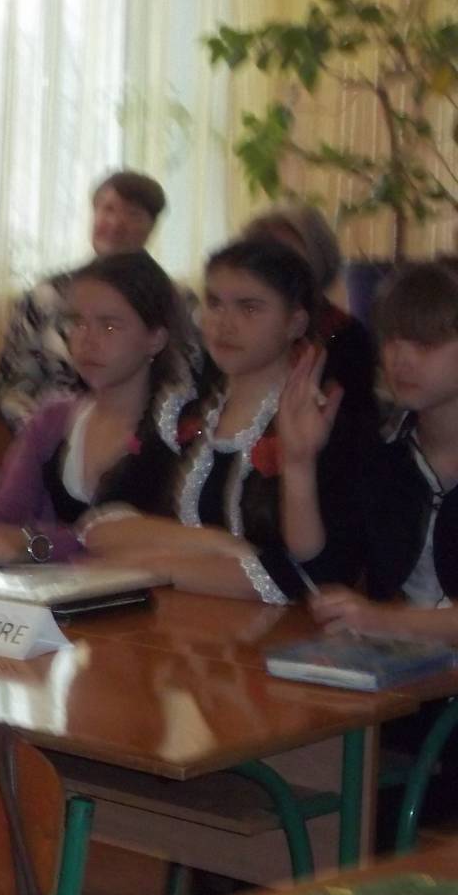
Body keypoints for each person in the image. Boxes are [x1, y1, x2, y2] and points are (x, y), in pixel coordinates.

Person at [83, 237, 367, 602]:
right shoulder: (183, 413)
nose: (224, 324)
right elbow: (100, 526)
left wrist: (161, 566)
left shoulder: (324, 422)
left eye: (249, 308)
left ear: (295, 323)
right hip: (180, 619)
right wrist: (216, 544)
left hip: (278, 629)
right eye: (214, 303)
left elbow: (312, 574)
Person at [0, 251, 188, 563]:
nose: (86, 340)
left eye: (109, 326)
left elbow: (155, 541)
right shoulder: (55, 418)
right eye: (77, 322)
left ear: (156, 338)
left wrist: (36, 543)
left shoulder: (180, 429)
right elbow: (3, 509)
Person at [284, 261, 458, 636]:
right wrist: (298, 462)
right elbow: (322, 574)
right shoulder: (382, 448)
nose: (401, 360)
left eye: (425, 343)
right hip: (401, 661)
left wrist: (383, 621)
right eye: (392, 340)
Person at [0, 169, 170, 428]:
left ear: (151, 227)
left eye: (133, 214)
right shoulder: (47, 296)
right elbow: (13, 383)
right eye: (108, 209)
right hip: (50, 439)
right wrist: (46, 437)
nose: (116, 223)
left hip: (146, 441)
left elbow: (186, 389)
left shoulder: (174, 302)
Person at [242, 203, 378, 420]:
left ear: (318, 261)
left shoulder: (347, 338)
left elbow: (354, 426)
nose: (272, 270)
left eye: (287, 259)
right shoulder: (236, 327)